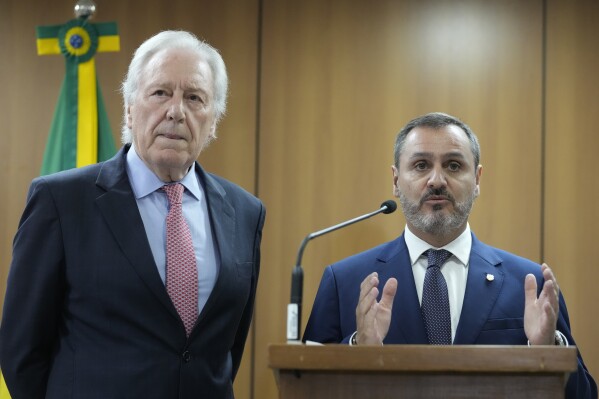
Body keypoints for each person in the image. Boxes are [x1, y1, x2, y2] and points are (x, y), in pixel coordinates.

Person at [0, 30, 265, 398]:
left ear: (213, 120)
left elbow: (225, 350)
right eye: (160, 93)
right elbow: (21, 352)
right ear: (129, 106)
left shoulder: (245, 212)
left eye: (194, 98)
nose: (176, 111)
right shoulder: (61, 201)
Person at [303, 112, 596, 398]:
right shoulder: (344, 282)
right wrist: (357, 350)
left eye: (454, 166)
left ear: (477, 179)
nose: (436, 180)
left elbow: (584, 394)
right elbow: (303, 388)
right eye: (420, 165)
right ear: (395, 180)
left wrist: (549, 350)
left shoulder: (529, 285)